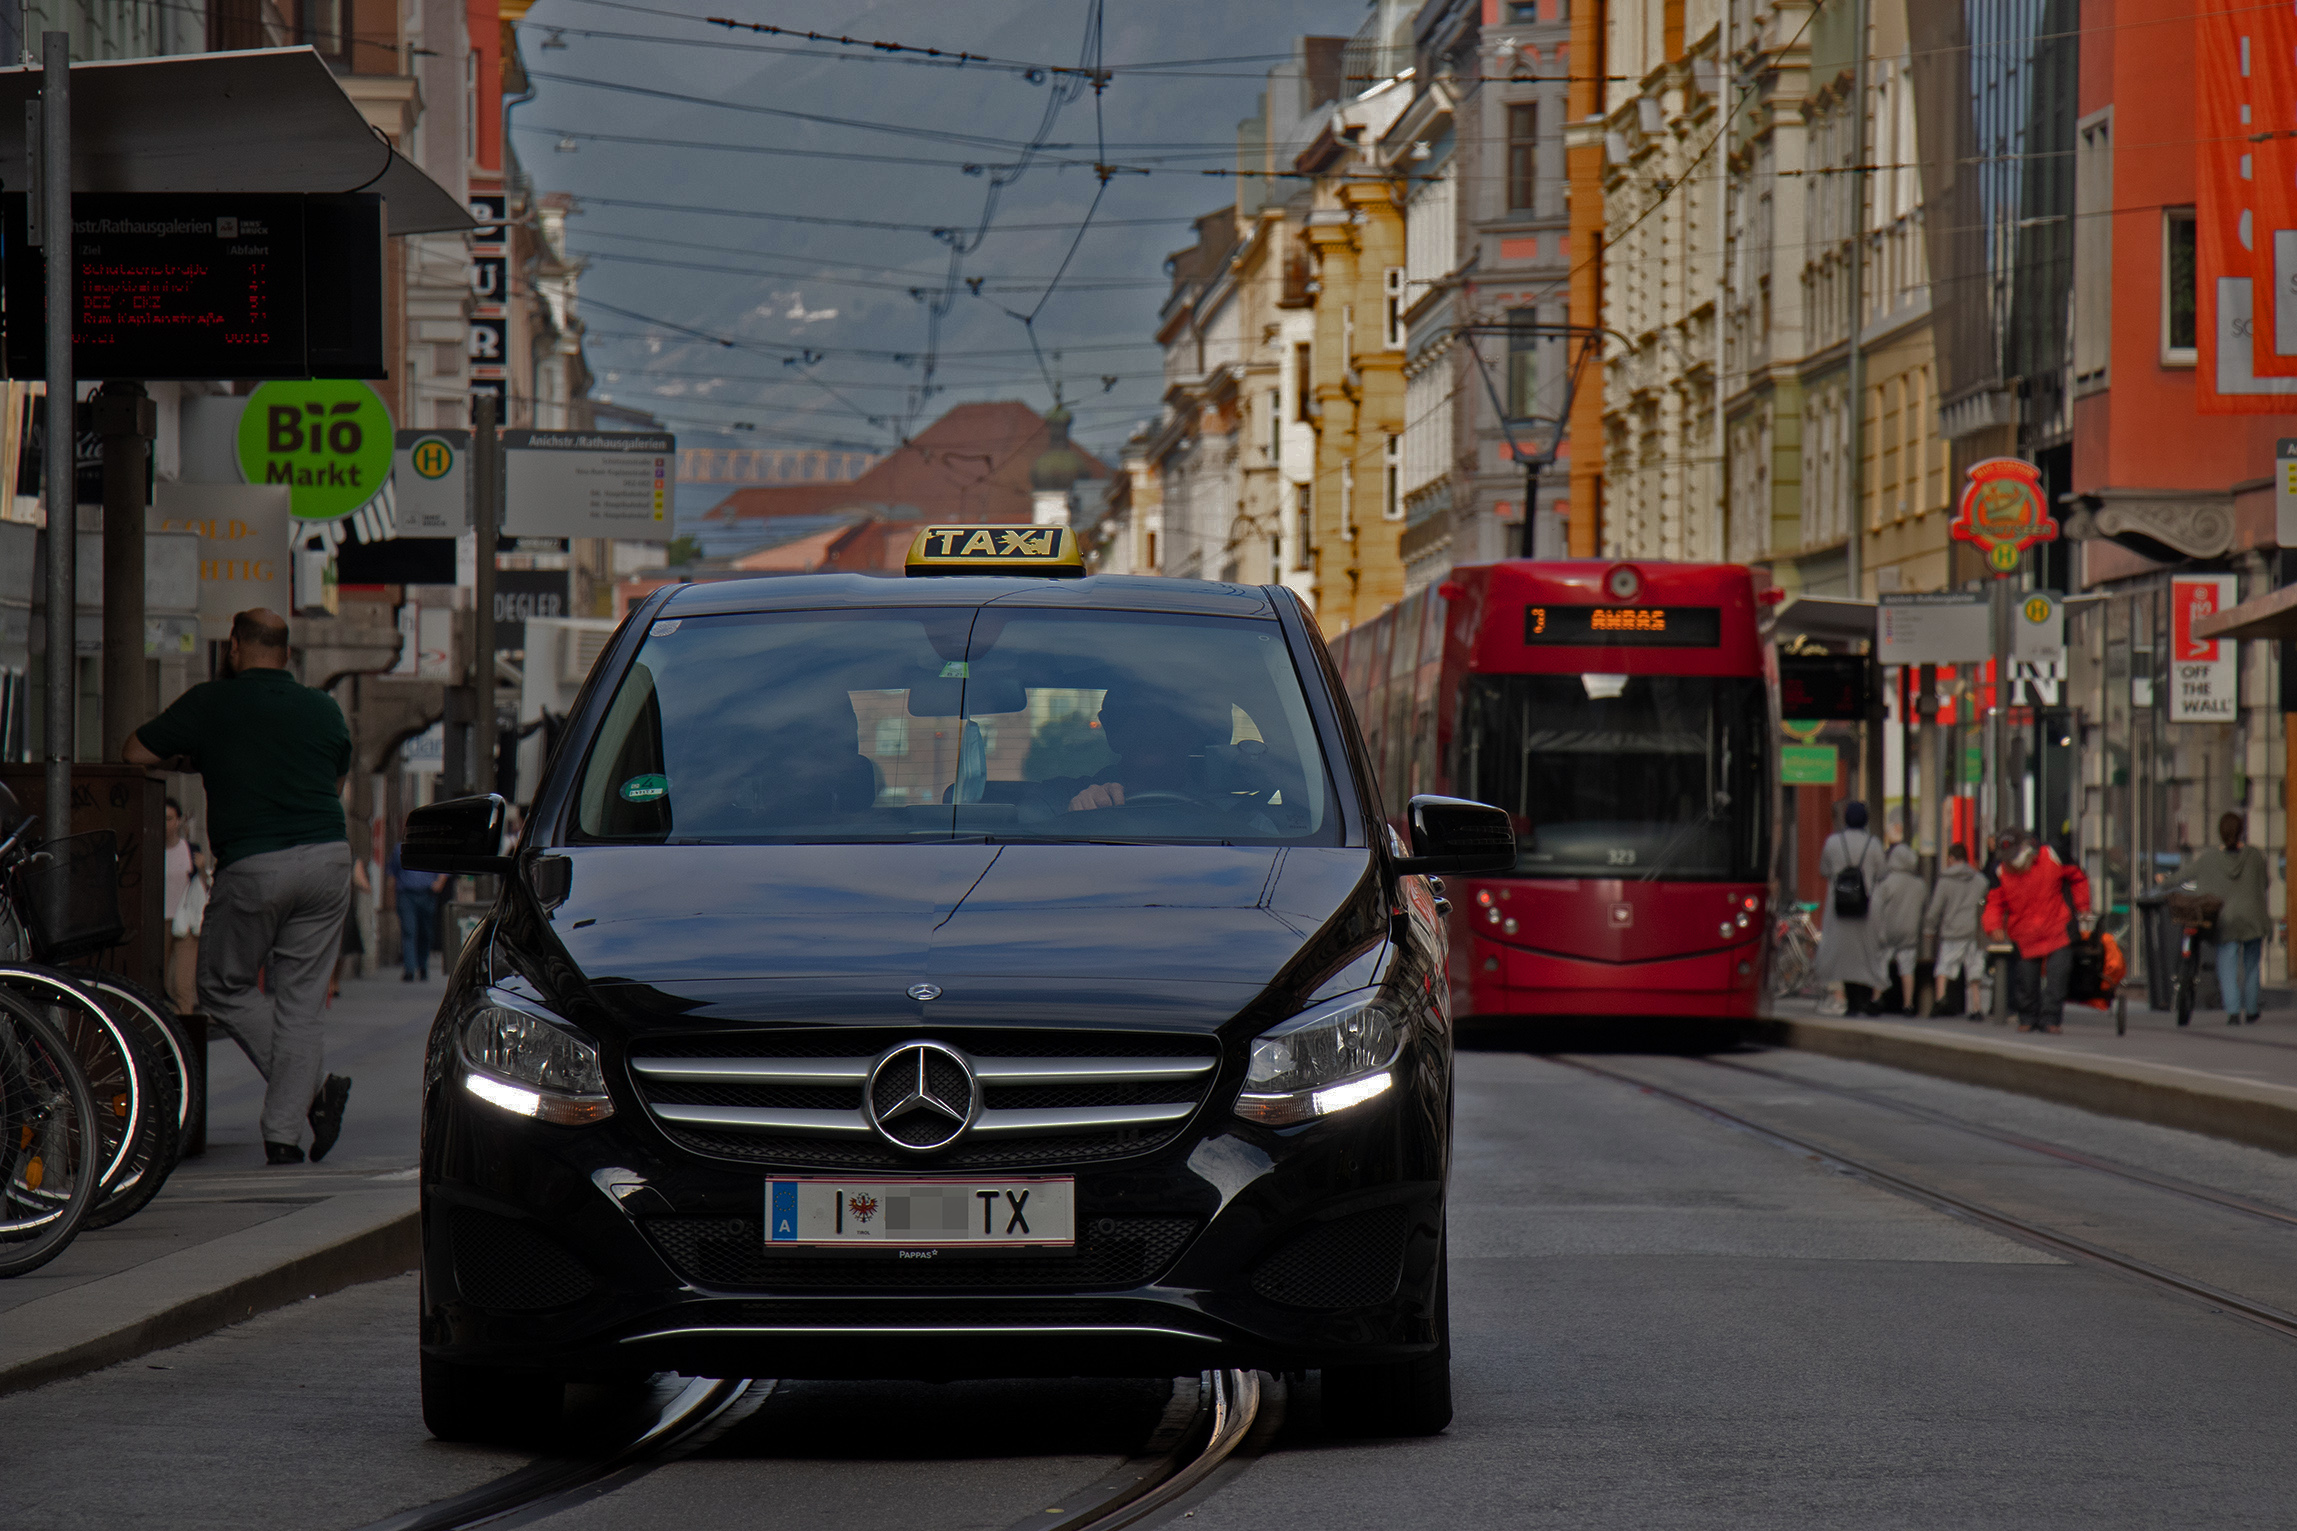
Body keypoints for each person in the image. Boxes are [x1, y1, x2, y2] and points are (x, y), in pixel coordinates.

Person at [124, 608, 355, 1165]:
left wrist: (200, 757)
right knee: (302, 1003)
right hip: (327, 858)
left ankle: (315, 1088)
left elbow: (134, 753)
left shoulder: (212, 702)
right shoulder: (323, 709)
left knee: (222, 985)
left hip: (255, 863)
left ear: (234, 647)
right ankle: (284, 1134)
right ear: (287, 653)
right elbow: (335, 780)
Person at [1983, 829, 2093, 1034]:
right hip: (2025, 934)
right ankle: (2028, 1017)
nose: (2009, 863)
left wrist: (2083, 906)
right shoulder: (2000, 871)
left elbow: (2078, 878)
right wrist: (1993, 925)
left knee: (2057, 977)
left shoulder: (2052, 856)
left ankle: (2051, 1019)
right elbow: (1994, 902)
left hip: (2057, 928)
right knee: (2025, 980)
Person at [2190, 810, 2269, 1025]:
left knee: (2227, 965)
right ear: (2242, 831)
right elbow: (2265, 883)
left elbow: (2187, 874)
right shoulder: (2254, 856)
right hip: (2254, 918)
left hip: (2226, 920)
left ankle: (2233, 1012)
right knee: (2252, 965)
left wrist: (2162, 880)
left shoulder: (2211, 858)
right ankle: (2252, 1009)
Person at [1814, 801, 1889, 1015]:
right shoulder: (1873, 844)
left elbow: (1824, 870)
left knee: (1844, 955)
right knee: (1865, 954)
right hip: (1866, 906)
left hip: (1839, 905)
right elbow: (1882, 873)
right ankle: (1864, 999)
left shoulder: (1832, 842)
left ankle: (1850, 1003)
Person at [1924, 841, 1991, 1020]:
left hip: (1952, 930)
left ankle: (1940, 1000)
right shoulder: (1980, 881)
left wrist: (1929, 928)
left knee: (1944, 967)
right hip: (1974, 931)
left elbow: (1936, 908)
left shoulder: (1945, 881)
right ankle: (1976, 1008)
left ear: (1952, 858)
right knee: (1974, 970)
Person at [161, 798, 207, 1017]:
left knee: (182, 984)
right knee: (159, 982)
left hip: (185, 923)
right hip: (158, 922)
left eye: (170, 818)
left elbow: (204, 888)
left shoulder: (190, 850)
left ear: (178, 821)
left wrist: (201, 868)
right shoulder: (150, 851)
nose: (165, 824)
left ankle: (183, 1033)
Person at [1871, 841, 1927, 1014]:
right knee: (1907, 969)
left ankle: (1876, 999)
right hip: (1909, 933)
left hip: (1888, 932)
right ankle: (1908, 1004)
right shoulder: (1919, 885)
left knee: (1881, 965)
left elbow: (1876, 907)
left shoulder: (1886, 883)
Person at [387, 839, 450, 981]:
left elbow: (444, 869)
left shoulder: (434, 848)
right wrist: (390, 898)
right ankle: (409, 969)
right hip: (406, 895)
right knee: (409, 930)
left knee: (425, 933)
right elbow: (392, 873)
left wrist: (439, 883)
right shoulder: (400, 848)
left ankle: (423, 965)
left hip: (427, 894)